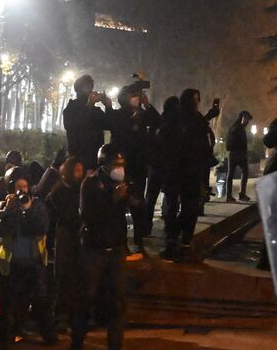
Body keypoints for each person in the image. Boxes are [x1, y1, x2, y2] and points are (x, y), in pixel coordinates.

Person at [70, 145, 136, 350]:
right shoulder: (91, 184)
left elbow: (133, 209)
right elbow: (89, 216)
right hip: (94, 250)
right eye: (115, 165)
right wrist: (112, 199)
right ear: (104, 165)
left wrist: (130, 197)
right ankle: (76, 346)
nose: (119, 168)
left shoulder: (120, 184)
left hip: (116, 250)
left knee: (118, 301)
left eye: (121, 165)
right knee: (85, 298)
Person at [0, 168, 55, 350]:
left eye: (24, 186)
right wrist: (7, 211)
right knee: (9, 306)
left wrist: (27, 210)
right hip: (11, 264)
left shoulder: (37, 205)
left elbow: (42, 227)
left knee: (41, 302)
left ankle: (49, 336)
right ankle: (7, 340)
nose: (22, 191)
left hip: (33, 262)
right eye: (18, 187)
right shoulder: (3, 205)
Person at [162, 88, 217, 259]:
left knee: (186, 208)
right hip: (182, 170)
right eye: (195, 100)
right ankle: (177, 241)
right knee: (180, 208)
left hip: (186, 171)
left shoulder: (189, 119)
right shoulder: (178, 119)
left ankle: (179, 241)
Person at [108, 82, 159, 252]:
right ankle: (121, 242)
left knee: (138, 203)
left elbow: (158, 121)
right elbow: (116, 130)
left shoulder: (143, 114)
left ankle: (138, 240)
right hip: (122, 166)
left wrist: (147, 105)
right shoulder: (117, 115)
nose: (136, 98)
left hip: (138, 165)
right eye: (133, 95)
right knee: (120, 204)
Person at [45, 157, 85, 326]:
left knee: (78, 275)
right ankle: (61, 314)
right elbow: (64, 215)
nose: (80, 173)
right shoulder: (59, 191)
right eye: (76, 170)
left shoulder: (79, 189)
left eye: (81, 170)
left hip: (78, 235)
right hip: (65, 234)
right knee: (64, 274)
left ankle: (76, 313)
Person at [62, 75, 110, 171]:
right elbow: (74, 126)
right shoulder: (71, 108)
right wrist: (88, 105)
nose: (90, 91)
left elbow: (109, 125)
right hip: (78, 156)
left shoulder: (96, 110)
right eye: (87, 88)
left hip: (95, 157)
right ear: (78, 90)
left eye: (91, 88)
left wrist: (108, 107)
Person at [224, 111, 253, 202]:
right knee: (244, 172)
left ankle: (229, 196)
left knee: (230, 174)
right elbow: (239, 142)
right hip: (238, 153)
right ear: (243, 118)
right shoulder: (238, 128)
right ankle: (241, 194)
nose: (248, 122)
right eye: (247, 119)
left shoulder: (234, 127)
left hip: (232, 153)